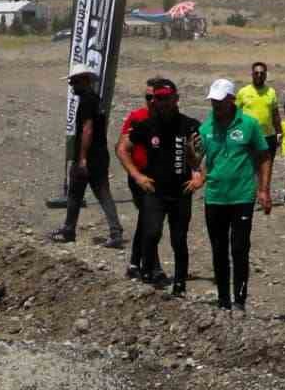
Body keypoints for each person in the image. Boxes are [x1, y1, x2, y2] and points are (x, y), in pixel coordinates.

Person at [193, 78, 272, 312]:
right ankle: (223, 300)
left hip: (242, 197)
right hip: (215, 197)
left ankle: (240, 299)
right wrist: (192, 157)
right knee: (218, 249)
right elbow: (197, 162)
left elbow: (264, 157)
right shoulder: (206, 128)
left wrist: (264, 189)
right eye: (212, 101)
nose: (215, 106)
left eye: (219, 101)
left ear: (231, 100)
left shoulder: (249, 124)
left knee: (239, 248)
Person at [117, 80, 200, 298]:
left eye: (165, 98)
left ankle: (180, 285)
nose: (160, 102)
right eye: (157, 98)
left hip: (181, 191)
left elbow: (210, 152)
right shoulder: (147, 125)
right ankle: (146, 274)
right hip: (155, 191)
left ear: (176, 99)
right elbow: (122, 148)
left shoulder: (189, 125)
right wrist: (137, 176)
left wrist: (199, 175)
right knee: (151, 232)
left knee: (178, 239)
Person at [50, 60, 125, 249]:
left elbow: (87, 129)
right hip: (100, 155)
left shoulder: (87, 101)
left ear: (84, 80)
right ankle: (112, 232)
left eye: (74, 82)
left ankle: (70, 230)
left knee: (82, 193)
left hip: (89, 157)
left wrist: (82, 158)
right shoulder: (95, 99)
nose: (71, 86)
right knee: (95, 193)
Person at [121, 78, 165, 281]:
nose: (151, 101)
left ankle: (135, 262)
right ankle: (152, 266)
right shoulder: (136, 117)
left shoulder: (168, 119)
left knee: (147, 220)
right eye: (147, 97)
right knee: (148, 219)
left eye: (154, 97)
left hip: (160, 178)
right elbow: (122, 147)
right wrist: (135, 174)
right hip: (139, 178)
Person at [235, 62, 280, 165]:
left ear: (265, 75)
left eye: (262, 73)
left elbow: (275, 114)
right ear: (252, 74)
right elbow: (235, 114)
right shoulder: (243, 92)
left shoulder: (271, 92)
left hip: (268, 137)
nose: (259, 75)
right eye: (256, 73)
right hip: (249, 137)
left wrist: (279, 133)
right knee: (249, 168)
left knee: (266, 168)